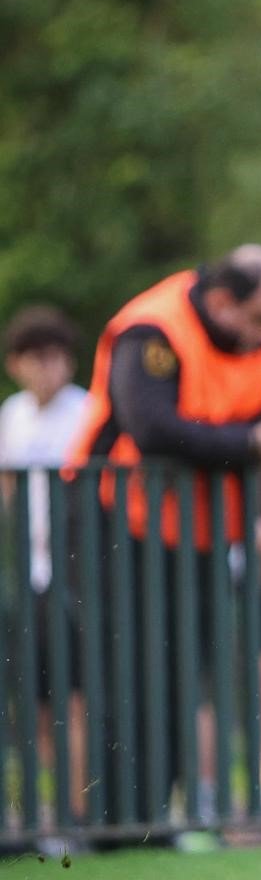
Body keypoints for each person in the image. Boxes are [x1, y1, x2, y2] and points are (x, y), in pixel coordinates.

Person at [67, 245, 261, 830]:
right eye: (258, 319)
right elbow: (152, 429)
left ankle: (156, 821)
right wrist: (252, 444)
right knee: (126, 675)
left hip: (201, 534)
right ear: (223, 301)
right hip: (115, 527)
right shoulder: (152, 328)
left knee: (183, 676)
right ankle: (111, 825)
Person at [0, 306, 90, 821]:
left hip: (74, 573)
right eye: (35, 359)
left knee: (73, 696)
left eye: (55, 358)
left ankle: (73, 812)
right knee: (32, 700)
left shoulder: (84, 410)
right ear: (16, 364)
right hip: (29, 572)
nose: (46, 369)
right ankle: (38, 809)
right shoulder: (13, 413)